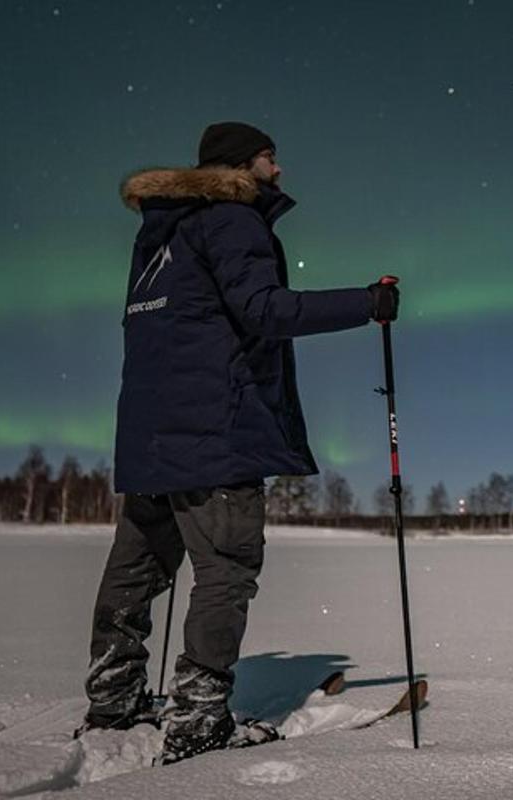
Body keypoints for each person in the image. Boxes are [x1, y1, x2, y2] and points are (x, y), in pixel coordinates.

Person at [78, 121, 399, 764]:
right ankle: (198, 720)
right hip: (214, 432)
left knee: (138, 568)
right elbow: (266, 311)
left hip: (151, 434)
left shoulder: (161, 233)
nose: (278, 172)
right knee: (225, 571)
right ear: (240, 165)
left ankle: (114, 702)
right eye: (270, 159)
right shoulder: (231, 219)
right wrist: (368, 303)